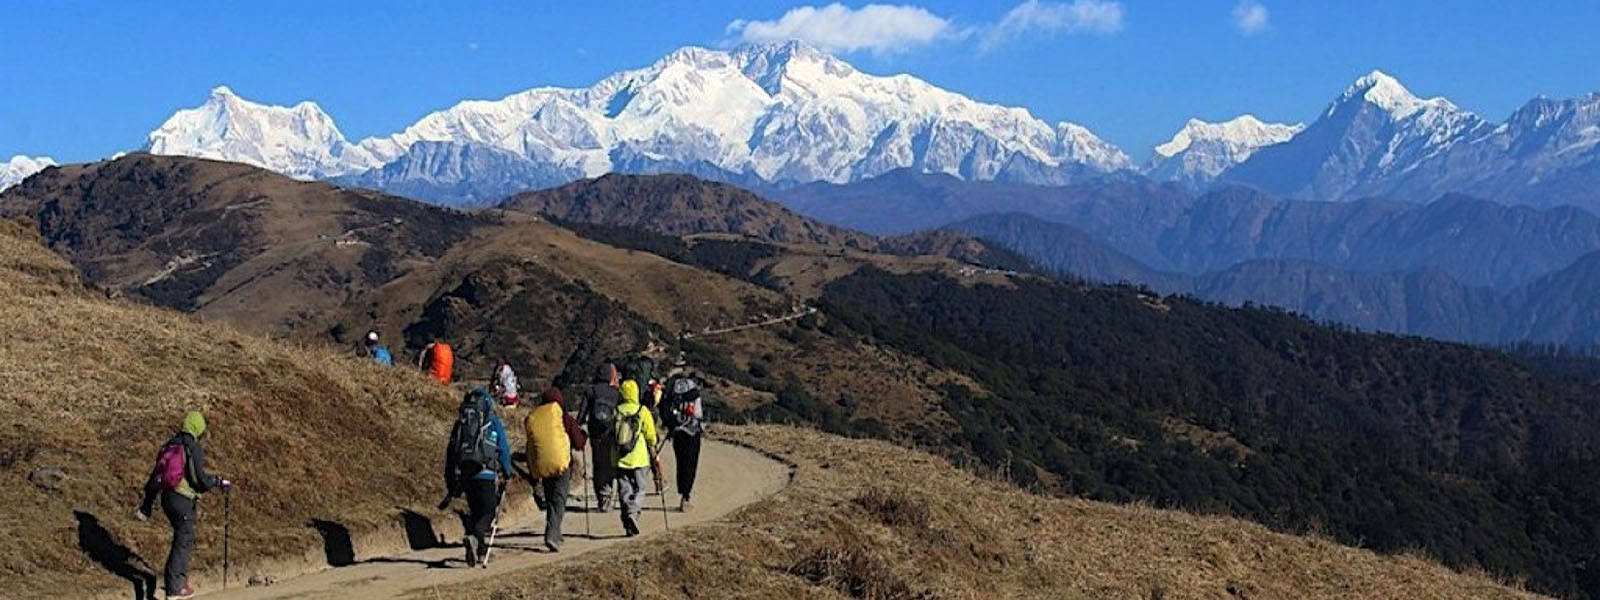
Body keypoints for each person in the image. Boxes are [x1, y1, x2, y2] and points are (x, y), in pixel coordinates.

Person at [136, 411, 232, 600]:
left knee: (182, 538)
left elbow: (156, 476)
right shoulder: (191, 447)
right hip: (182, 500)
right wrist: (217, 481)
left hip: (167, 498)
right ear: (199, 428)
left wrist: (147, 504)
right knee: (183, 540)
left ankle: (179, 581)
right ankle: (174, 588)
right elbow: (200, 481)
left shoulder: (169, 444)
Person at [440, 387, 512, 567]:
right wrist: (507, 471)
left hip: (466, 473)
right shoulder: (492, 421)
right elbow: (502, 447)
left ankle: (480, 551)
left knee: (476, 511)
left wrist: (452, 480)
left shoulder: (461, 423)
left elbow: (451, 451)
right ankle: (475, 537)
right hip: (486, 472)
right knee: (488, 511)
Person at [523, 387, 586, 552]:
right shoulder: (563, 417)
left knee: (551, 498)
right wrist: (584, 436)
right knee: (559, 499)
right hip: (561, 463)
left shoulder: (535, 417)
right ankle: (551, 535)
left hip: (542, 464)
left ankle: (556, 533)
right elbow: (579, 443)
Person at [614, 379, 658, 537]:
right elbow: (651, 435)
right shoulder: (642, 410)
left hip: (619, 458)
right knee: (640, 489)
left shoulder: (616, 410)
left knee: (624, 489)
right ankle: (633, 513)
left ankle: (628, 517)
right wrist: (653, 449)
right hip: (639, 457)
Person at [575, 363, 621, 511]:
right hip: (612, 433)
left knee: (599, 465)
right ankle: (609, 494)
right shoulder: (616, 392)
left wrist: (579, 428)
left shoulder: (591, 391)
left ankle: (602, 497)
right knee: (611, 463)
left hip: (596, 434)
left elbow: (581, 415)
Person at [663, 376, 707, 511]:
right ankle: (686, 496)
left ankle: (682, 491)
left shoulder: (673, 390)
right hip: (692, 431)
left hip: (677, 431)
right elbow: (698, 413)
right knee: (690, 464)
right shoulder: (694, 391)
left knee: (680, 463)